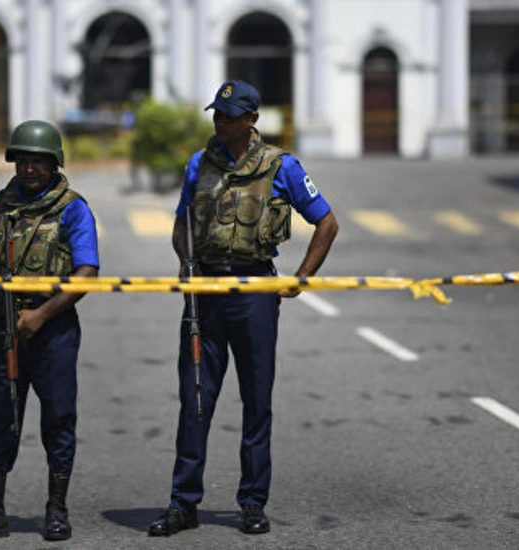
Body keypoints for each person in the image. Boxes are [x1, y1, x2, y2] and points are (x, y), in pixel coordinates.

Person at [148, 80, 339, 537]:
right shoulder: (200, 163)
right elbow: (181, 224)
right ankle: (183, 503)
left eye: (231, 115)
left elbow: (327, 223)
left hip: (255, 289)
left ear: (252, 119)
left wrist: (300, 278)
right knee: (195, 398)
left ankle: (252, 502)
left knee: (256, 400)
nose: (221, 121)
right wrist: (185, 262)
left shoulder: (281, 166)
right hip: (206, 291)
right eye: (218, 113)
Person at [0, 120, 99, 543]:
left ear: (55, 164)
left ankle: (56, 509)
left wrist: (40, 315)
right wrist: (6, 291)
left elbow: (86, 272)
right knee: (0, 418)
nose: (29, 169)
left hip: (53, 329)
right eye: (23, 161)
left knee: (58, 418)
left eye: (39, 162)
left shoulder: (73, 208)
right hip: (4, 325)